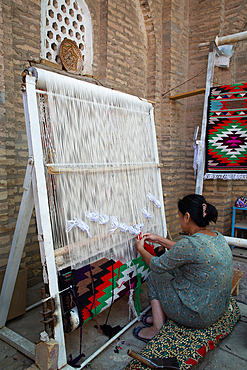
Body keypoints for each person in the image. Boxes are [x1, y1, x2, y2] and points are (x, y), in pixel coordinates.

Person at [133, 194, 233, 343]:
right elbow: (185, 253)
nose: (179, 220)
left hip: (200, 316)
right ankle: (160, 313)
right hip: (218, 308)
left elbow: (157, 266)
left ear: (187, 216)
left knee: (155, 276)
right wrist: (159, 239)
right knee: (175, 269)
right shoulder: (217, 236)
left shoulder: (190, 244)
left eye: (179, 216)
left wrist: (141, 249)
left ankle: (156, 329)